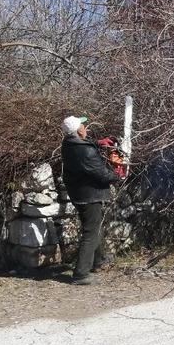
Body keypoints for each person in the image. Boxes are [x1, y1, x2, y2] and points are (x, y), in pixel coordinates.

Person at [60, 115, 121, 285]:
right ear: (79, 130)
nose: (85, 127)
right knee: (91, 232)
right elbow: (102, 174)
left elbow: (84, 145)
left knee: (95, 227)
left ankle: (98, 261)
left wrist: (98, 143)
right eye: (83, 125)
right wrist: (118, 175)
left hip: (79, 193)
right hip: (89, 196)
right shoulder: (85, 152)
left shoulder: (68, 143)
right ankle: (80, 274)